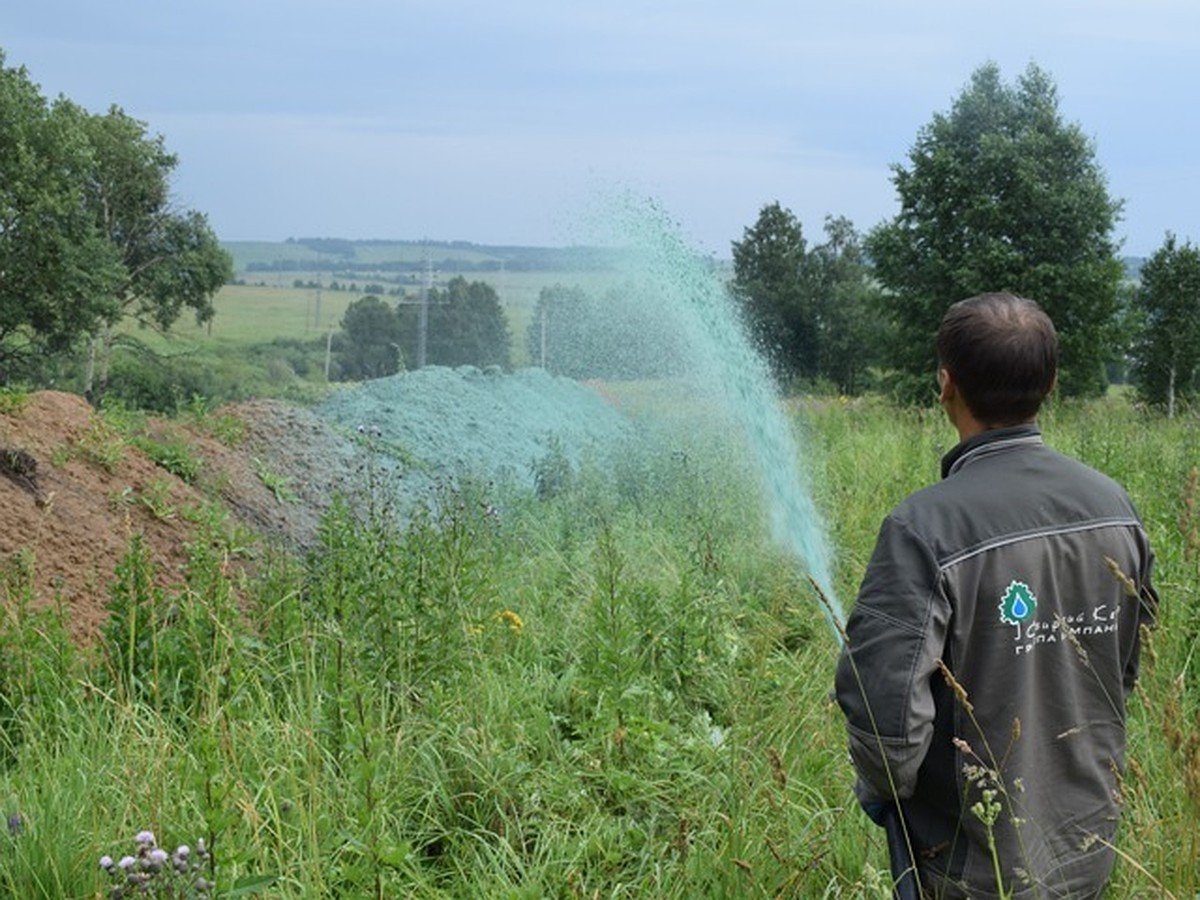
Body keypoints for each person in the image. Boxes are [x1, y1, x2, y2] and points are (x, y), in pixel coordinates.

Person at [834, 292, 1159, 898]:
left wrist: (886, 793)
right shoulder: (1115, 508)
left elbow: (885, 713)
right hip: (1088, 843)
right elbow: (1124, 670)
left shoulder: (922, 527)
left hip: (969, 861)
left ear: (944, 384)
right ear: (1052, 384)